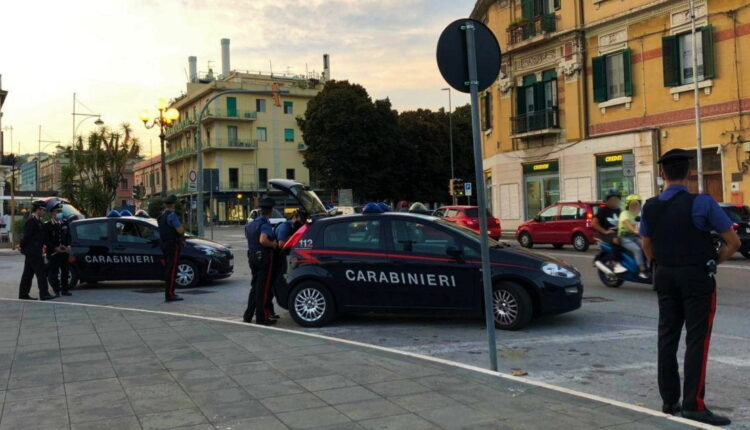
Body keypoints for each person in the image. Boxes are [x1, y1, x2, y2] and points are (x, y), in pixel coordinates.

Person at [640, 149, 740, 426]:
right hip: (696, 278)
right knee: (697, 340)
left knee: (667, 337)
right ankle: (693, 405)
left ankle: (669, 401)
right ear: (690, 174)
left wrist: (660, 264)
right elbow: (734, 243)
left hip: (665, 277)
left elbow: (646, 245)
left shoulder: (649, 206)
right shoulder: (703, 203)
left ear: (662, 175)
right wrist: (712, 261)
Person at [243, 197, 279, 325]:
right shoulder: (265, 223)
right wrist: (273, 244)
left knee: (254, 287)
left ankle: (248, 315)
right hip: (263, 258)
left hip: (252, 256)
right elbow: (263, 240)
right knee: (263, 289)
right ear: (270, 211)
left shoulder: (252, 223)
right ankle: (261, 317)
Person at [18, 200, 54, 300]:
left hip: (34, 251)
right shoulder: (32, 221)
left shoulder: (37, 220)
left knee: (28, 274)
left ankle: (23, 294)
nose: (44, 212)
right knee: (41, 273)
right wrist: (22, 246)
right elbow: (26, 236)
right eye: (43, 210)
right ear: (38, 210)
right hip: (33, 252)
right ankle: (44, 294)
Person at [158, 195, 185, 302]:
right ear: (173, 204)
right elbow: (180, 230)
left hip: (164, 245)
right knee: (172, 269)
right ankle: (170, 294)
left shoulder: (162, 216)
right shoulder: (172, 216)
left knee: (169, 269)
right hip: (172, 245)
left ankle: (170, 292)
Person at [593, 189, 626, 273]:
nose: (615, 201)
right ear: (607, 200)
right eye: (612, 199)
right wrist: (604, 231)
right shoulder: (603, 210)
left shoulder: (619, 210)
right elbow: (594, 223)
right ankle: (616, 264)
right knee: (616, 240)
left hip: (618, 233)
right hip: (607, 235)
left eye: (616, 199)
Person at [45, 200, 73, 296]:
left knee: (65, 271)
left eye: (60, 211)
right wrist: (55, 248)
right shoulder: (48, 225)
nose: (59, 213)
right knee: (54, 272)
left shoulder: (65, 223)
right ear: (52, 212)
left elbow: (69, 236)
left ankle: (65, 289)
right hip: (54, 253)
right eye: (57, 211)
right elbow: (46, 240)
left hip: (64, 252)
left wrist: (69, 245)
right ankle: (56, 290)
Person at [618, 195, 648, 279]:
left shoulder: (636, 215)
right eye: (633, 204)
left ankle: (648, 265)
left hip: (635, 237)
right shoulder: (625, 214)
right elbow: (629, 224)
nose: (635, 206)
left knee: (646, 246)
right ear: (628, 205)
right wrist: (635, 230)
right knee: (637, 249)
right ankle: (642, 270)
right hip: (624, 238)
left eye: (637, 204)